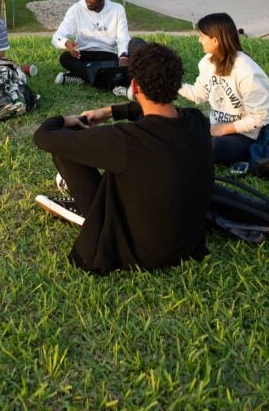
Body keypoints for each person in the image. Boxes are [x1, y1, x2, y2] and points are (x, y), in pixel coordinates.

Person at [33, 42, 214, 275]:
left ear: (135, 86)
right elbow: (151, 112)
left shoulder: (127, 140)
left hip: (141, 252)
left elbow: (44, 137)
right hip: (187, 242)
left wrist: (62, 120)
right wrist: (110, 111)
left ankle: (90, 211)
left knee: (70, 141)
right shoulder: (196, 120)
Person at [178, 12, 269, 165]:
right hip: (215, 128)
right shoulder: (207, 62)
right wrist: (173, 84)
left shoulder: (247, 71)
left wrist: (222, 130)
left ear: (215, 40)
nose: (199, 40)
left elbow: (260, 118)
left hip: (245, 135)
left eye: (202, 36)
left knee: (214, 147)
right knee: (182, 124)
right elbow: (199, 94)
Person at [52, 0, 131, 91]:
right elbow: (57, 36)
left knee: (130, 56)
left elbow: (123, 38)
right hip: (84, 55)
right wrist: (66, 43)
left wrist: (123, 56)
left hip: (108, 55)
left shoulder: (117, 10)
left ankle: (79, 77)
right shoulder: (76, 9)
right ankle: (113, 84)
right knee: (65, 58)